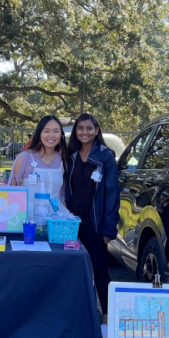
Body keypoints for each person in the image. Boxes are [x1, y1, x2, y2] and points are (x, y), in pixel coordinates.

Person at [65, 113, 120, 317]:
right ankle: (82, 315)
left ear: (97, 130)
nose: (85, 132)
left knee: (100, 270)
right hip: (72, 222)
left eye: (89, 128)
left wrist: (109, 228)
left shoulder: (106, 156)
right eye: (80, 128)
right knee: (76, 269)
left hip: (95, 223)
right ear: (75, 132)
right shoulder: (71, 155)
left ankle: (107, 317)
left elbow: (112, 193)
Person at [9, 116, 68, 203]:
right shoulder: (25, 157)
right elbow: (11, 190)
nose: (51, 135)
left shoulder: (63, 159)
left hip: (57, 215)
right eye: (46, 131)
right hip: (28, 215)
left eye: (56, 131)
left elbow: (62, 194)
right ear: (39, 133)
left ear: (61, 135)